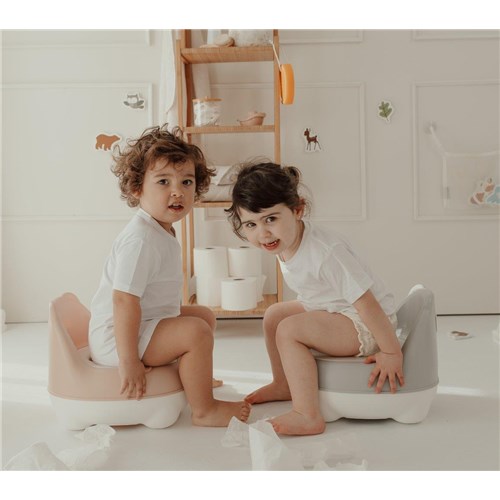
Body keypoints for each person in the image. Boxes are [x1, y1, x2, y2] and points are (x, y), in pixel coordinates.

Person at [89, 125, 251, 427]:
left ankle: (196, 375)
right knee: (196, 332)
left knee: (203, 316)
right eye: (163, 181)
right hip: (118, 339)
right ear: (137, 188)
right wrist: (128, 360)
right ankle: (204, 410)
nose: (177, 191)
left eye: (186, 182)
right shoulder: (140, 240)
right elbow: (124, 301)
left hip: (143, 323)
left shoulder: (158, 229)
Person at [226, 161, 402, 435]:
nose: (263, 233)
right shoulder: (286, 242)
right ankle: (283, 383)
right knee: (274, 316)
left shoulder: (325, 252)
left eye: (271, 219)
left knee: (289, 330)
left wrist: (391, 352)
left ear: (298, 210)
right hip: (332, 309)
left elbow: (366, 302)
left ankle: (307, 414)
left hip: (365, 324)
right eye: (251, 224)